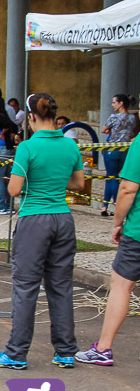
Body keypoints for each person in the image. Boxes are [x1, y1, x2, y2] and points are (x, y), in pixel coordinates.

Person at [0, 93, 85, 370]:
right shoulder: (70, 145)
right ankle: (66, 350)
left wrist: (32, 181)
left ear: (30, 117)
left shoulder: (27, 148)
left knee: (26, 286)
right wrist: (53, 180)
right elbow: (78, 184)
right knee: (61, 286)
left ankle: (16, 352)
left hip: (34, 219)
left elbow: (14, 189)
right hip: (63, 219)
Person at [76, 123, 140, 366]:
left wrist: (117, 220)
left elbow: (128, 188)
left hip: (138, 229)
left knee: (121, 284)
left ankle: (103, 347)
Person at [100, 93, 137, 217]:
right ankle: (105, 206)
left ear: (121, 103)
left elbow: (103, 129)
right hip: (124, 149)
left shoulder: (114, 117)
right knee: (113, 177)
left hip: (112, 149)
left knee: (111, 177)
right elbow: (131, 133)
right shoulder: (132, 117)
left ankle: (115, 205)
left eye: (114, 102)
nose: (112, 105)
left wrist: (110, 130)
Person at [0, 95, 19, 215]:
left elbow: (8, 125)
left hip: (1, 149)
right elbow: (14, 125)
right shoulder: (4, 115)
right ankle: (9, 204)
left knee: (0, 178)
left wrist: (3, 133)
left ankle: (2, 204)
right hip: (7, 149)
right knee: (6, 177)